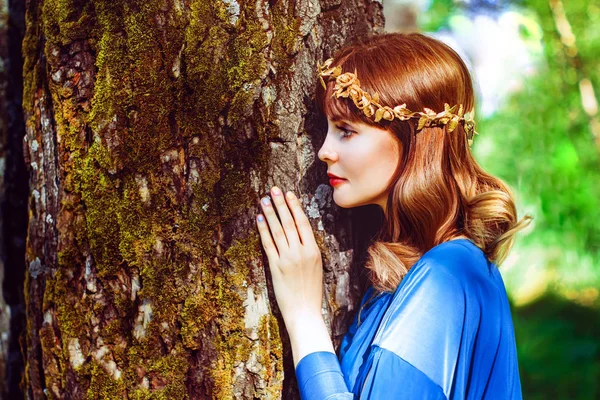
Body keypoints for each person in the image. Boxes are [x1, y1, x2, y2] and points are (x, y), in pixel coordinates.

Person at [255, 32, 532, 399]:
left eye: (346, 132)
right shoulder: (432, 269)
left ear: (414, 140)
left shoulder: (444, 276)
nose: (324, 151)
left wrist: (303, 316)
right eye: (327, 131)